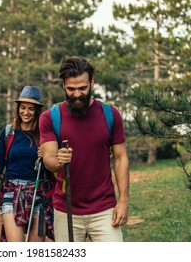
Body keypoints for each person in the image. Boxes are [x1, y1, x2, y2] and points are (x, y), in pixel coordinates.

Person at [39, 56, 129, 242]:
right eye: (71, 89)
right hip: (66, 210)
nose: (77, 94)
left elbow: (120, 158)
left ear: (92, 82)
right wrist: (58, 161)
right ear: (63, 84)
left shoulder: (110, 114)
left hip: (104, 208)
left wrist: (123, 201)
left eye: (82, 88)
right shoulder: (49, 117)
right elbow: (48, 158)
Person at [0, 85, 54, 242]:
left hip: (38, 192)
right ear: (18, 109)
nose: (26, 112)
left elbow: (52, 165)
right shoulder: (8, 132)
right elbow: (1, 163)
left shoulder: (45, 134)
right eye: (23, 108)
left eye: (31, 109)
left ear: (37, 110)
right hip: (11, 191)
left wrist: (45, 156)